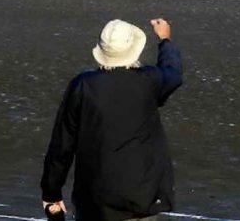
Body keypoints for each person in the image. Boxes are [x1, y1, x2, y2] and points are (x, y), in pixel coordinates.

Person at [41, 18, 183, 221]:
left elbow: (62, 145)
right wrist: (165, 40)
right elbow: (173, 73)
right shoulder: (149, 80)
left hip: (95, 200)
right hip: (141, 196)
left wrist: (51, 192)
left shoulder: (83, 86)